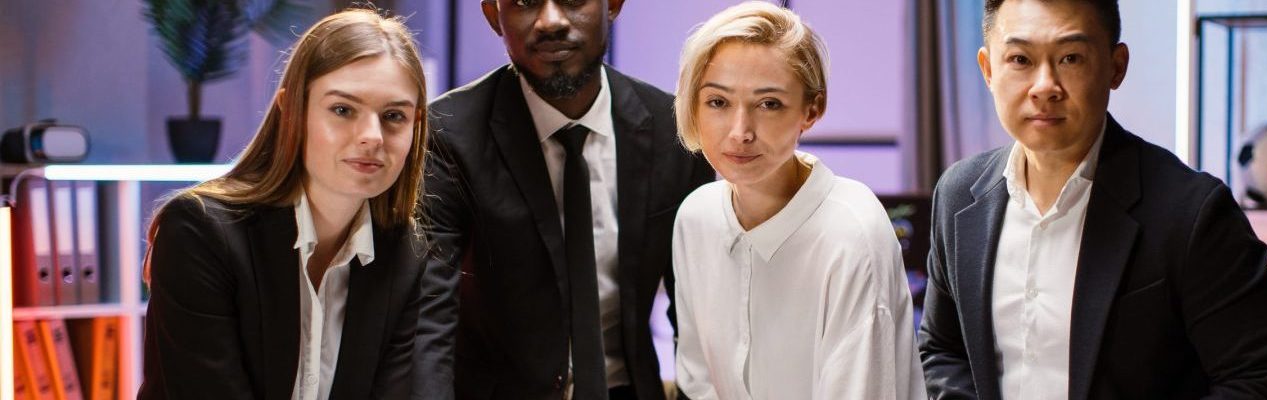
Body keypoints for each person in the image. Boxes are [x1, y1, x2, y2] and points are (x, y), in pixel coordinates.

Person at [918, 1, 1267, 399]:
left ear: (1116, 66)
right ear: (988, 69)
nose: (1045, 86)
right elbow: (943, 350)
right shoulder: (958, 194)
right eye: (1020, 59)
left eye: (1071, 58)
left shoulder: (1191, 212)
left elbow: (1266, 379)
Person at [412, 0, 714, 398]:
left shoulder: (675, 132)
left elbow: (697, 321)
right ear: (492, 16)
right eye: (523, 2)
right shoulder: (448, 137)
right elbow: (429, 320)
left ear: (613, 5)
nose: (550, 20)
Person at [139, 8, 429, 400]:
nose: (372, 136)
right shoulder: (199, 232)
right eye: (343, 110)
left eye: (394, 116)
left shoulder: (404, 251)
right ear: (291, 110)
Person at [667, 3, 925, 399]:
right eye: (718, 102)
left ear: (812, 109)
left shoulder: (852, 232)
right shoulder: (695, 217)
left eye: (769, 104)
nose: (740, 132)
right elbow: (699, 382)